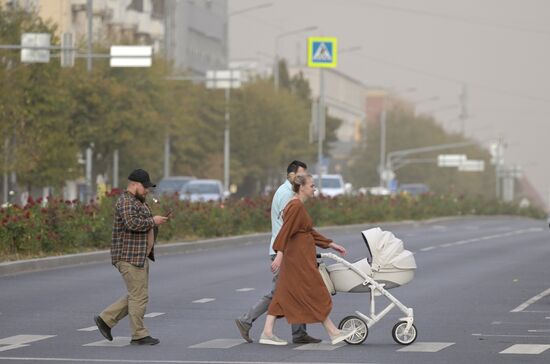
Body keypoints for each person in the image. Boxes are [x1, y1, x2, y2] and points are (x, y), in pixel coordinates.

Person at [259, 173, 357, 346]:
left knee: (284, 292)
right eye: (312, 186)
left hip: (300, 255)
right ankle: (333, 331)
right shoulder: (295, 206)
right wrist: (280, 255)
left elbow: (308, 231)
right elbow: (285, 231)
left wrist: (331, 244)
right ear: (302, 187)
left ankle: (267, 332)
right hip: (297, 258)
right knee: (315, 290)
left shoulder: (297, 206)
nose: (314, 189)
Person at [235, 161, 322, 344]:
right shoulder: (286, 195)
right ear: (291, 175)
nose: (303, 179)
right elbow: (287, 228)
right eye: (300, 176)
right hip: (284, 251)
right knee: (278, 293)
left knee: (297, 290)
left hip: (288, 250)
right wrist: (282, 253)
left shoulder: (291, 194)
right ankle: (246, 320)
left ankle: (299, 332)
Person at [94, 169, 168, 346]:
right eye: (145, 187)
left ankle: (106, 319)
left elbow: (143, 223)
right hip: (128, 255)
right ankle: (139, 335)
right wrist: (153, 221)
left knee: (137, 295)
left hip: (138, 255)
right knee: (139, 297)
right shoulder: (126, 201)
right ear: (134, 184)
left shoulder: (138, 201)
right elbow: (132, 223)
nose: (147, 190)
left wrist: (155, 221)